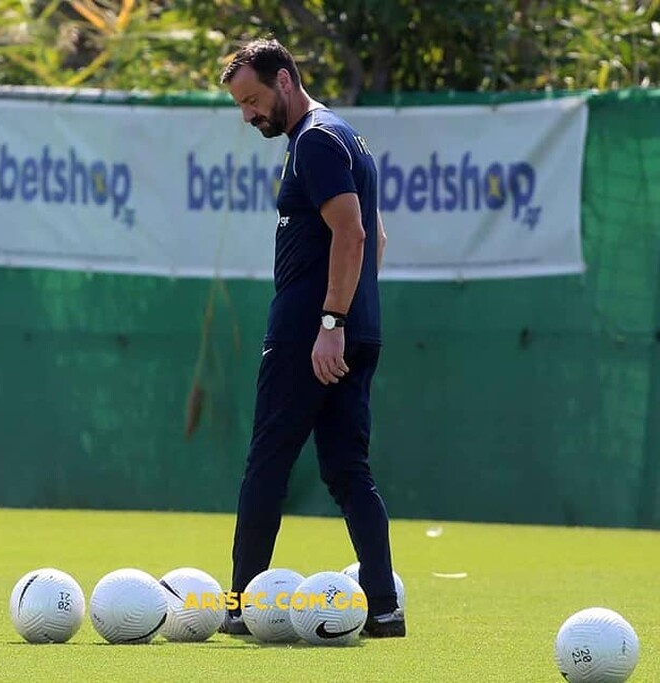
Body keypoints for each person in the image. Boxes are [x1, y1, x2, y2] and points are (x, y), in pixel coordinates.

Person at [217, 38, 405, 638]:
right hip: (354, 330)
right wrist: (352, 318)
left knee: (267, 463)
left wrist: (329, 324)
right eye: (241, 106)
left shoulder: (315, 141)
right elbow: (376, 237)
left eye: (252, 100)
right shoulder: (345, 134)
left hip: (311, 336)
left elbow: (351, 234)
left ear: (286, 80)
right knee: (350, 470)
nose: (249, 115)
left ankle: (239, 608)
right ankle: (383, 608)